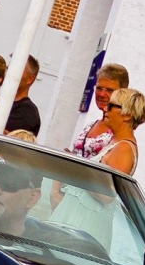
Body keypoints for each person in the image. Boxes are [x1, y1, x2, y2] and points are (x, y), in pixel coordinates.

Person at [49, 88, 145, 247]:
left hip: (86, 225)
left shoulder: (124, 148)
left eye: (111, 106)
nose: (105, 109)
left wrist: (78, 167)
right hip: (80, 220)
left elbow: (106, 194)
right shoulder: (115, 143)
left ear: (127, 115)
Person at [50, 63, 129, 210]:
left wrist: (78, 168)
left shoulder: (119, 135)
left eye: (109, 90)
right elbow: (70, 160)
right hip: (66, 199)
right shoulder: (91, 125)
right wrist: (55, 193)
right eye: (99, 88)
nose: (102, 94)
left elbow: (108, 192)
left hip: (90, 208)